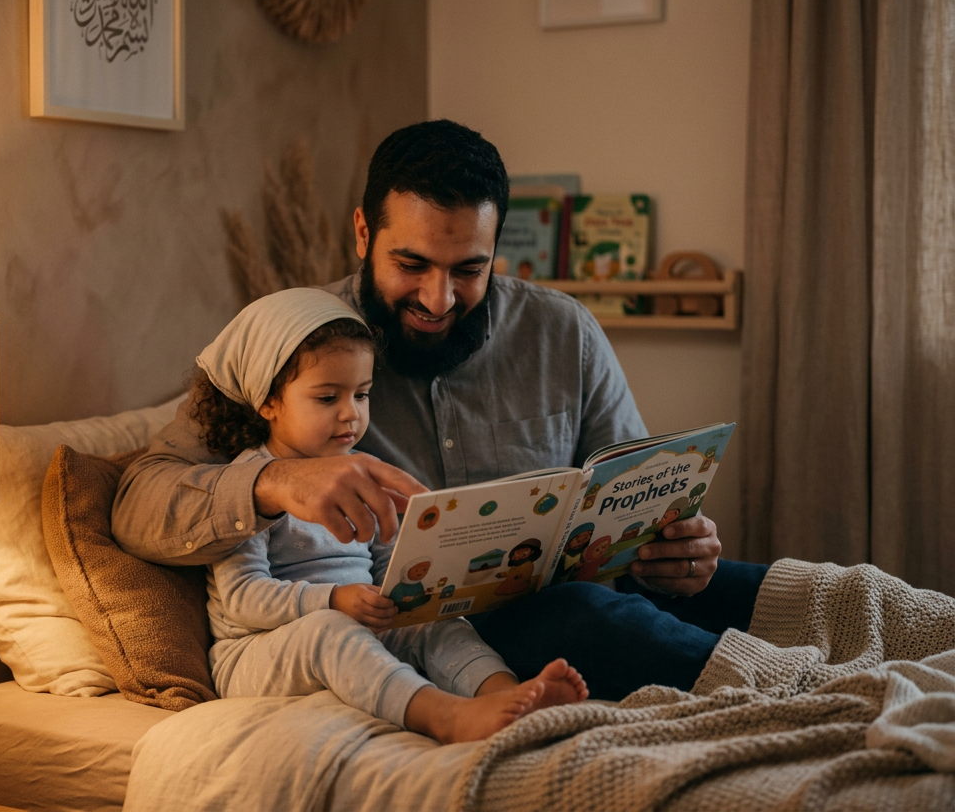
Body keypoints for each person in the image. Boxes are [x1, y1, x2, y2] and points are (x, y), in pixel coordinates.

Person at [114, 119, 767, 701]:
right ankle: (782, 688)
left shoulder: (562, 332)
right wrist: (274, 480)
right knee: (584, 614)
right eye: (412, 264)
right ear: (364, 233)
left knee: (738, 585)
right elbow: (140, 501)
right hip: (446, 633)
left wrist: (672, 550)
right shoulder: (296, 345)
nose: (439, 298)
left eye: (468, 270)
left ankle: (843, 637)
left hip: (577, 594)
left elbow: (631, 500)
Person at [192, 286, 588, 744]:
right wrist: (334, 599)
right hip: (258, 653)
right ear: (269, 401)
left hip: (358, 622)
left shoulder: (362, 471)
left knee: (434, 623)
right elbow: (243, 598)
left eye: (361, 395)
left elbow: (386, 562)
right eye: (327, 398)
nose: (351, 416)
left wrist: (416, 593)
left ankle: (508, 697)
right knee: (330, 631)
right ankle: (445, 717)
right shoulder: (248, 486)